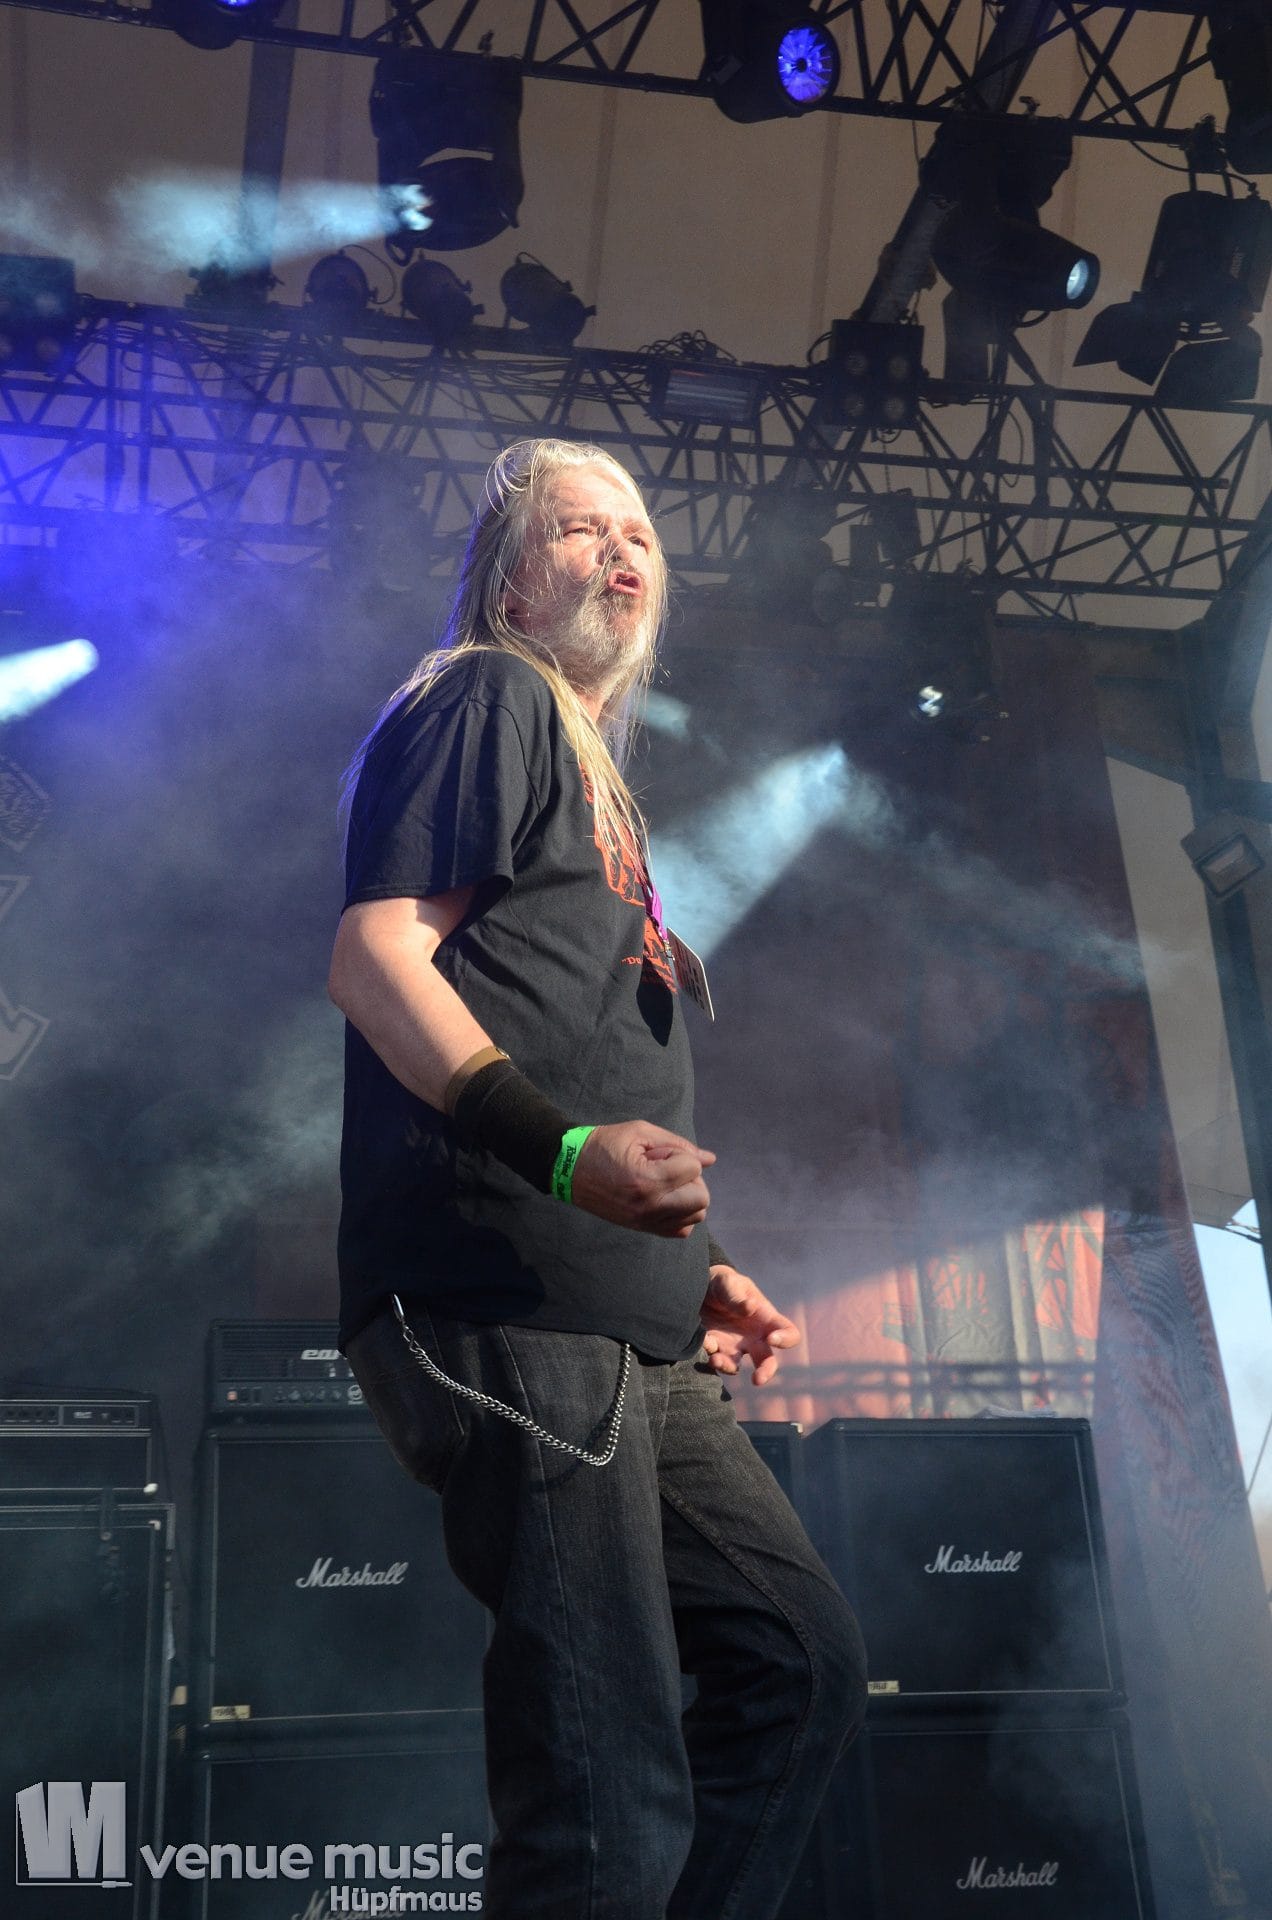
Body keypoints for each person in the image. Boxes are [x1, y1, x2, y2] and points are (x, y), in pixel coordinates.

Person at [328, 437, 866, 1920]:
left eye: (639, 532)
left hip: (630, 1325)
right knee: (602, 1783)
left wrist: (702, 1270)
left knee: (797, 1666)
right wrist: (562, 1151)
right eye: (579, 528)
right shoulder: (487, 693)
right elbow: (375, 958)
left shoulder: (591, 771)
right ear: (510, 580)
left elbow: (573, 1032)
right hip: (510, 1298)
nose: (623, 550)